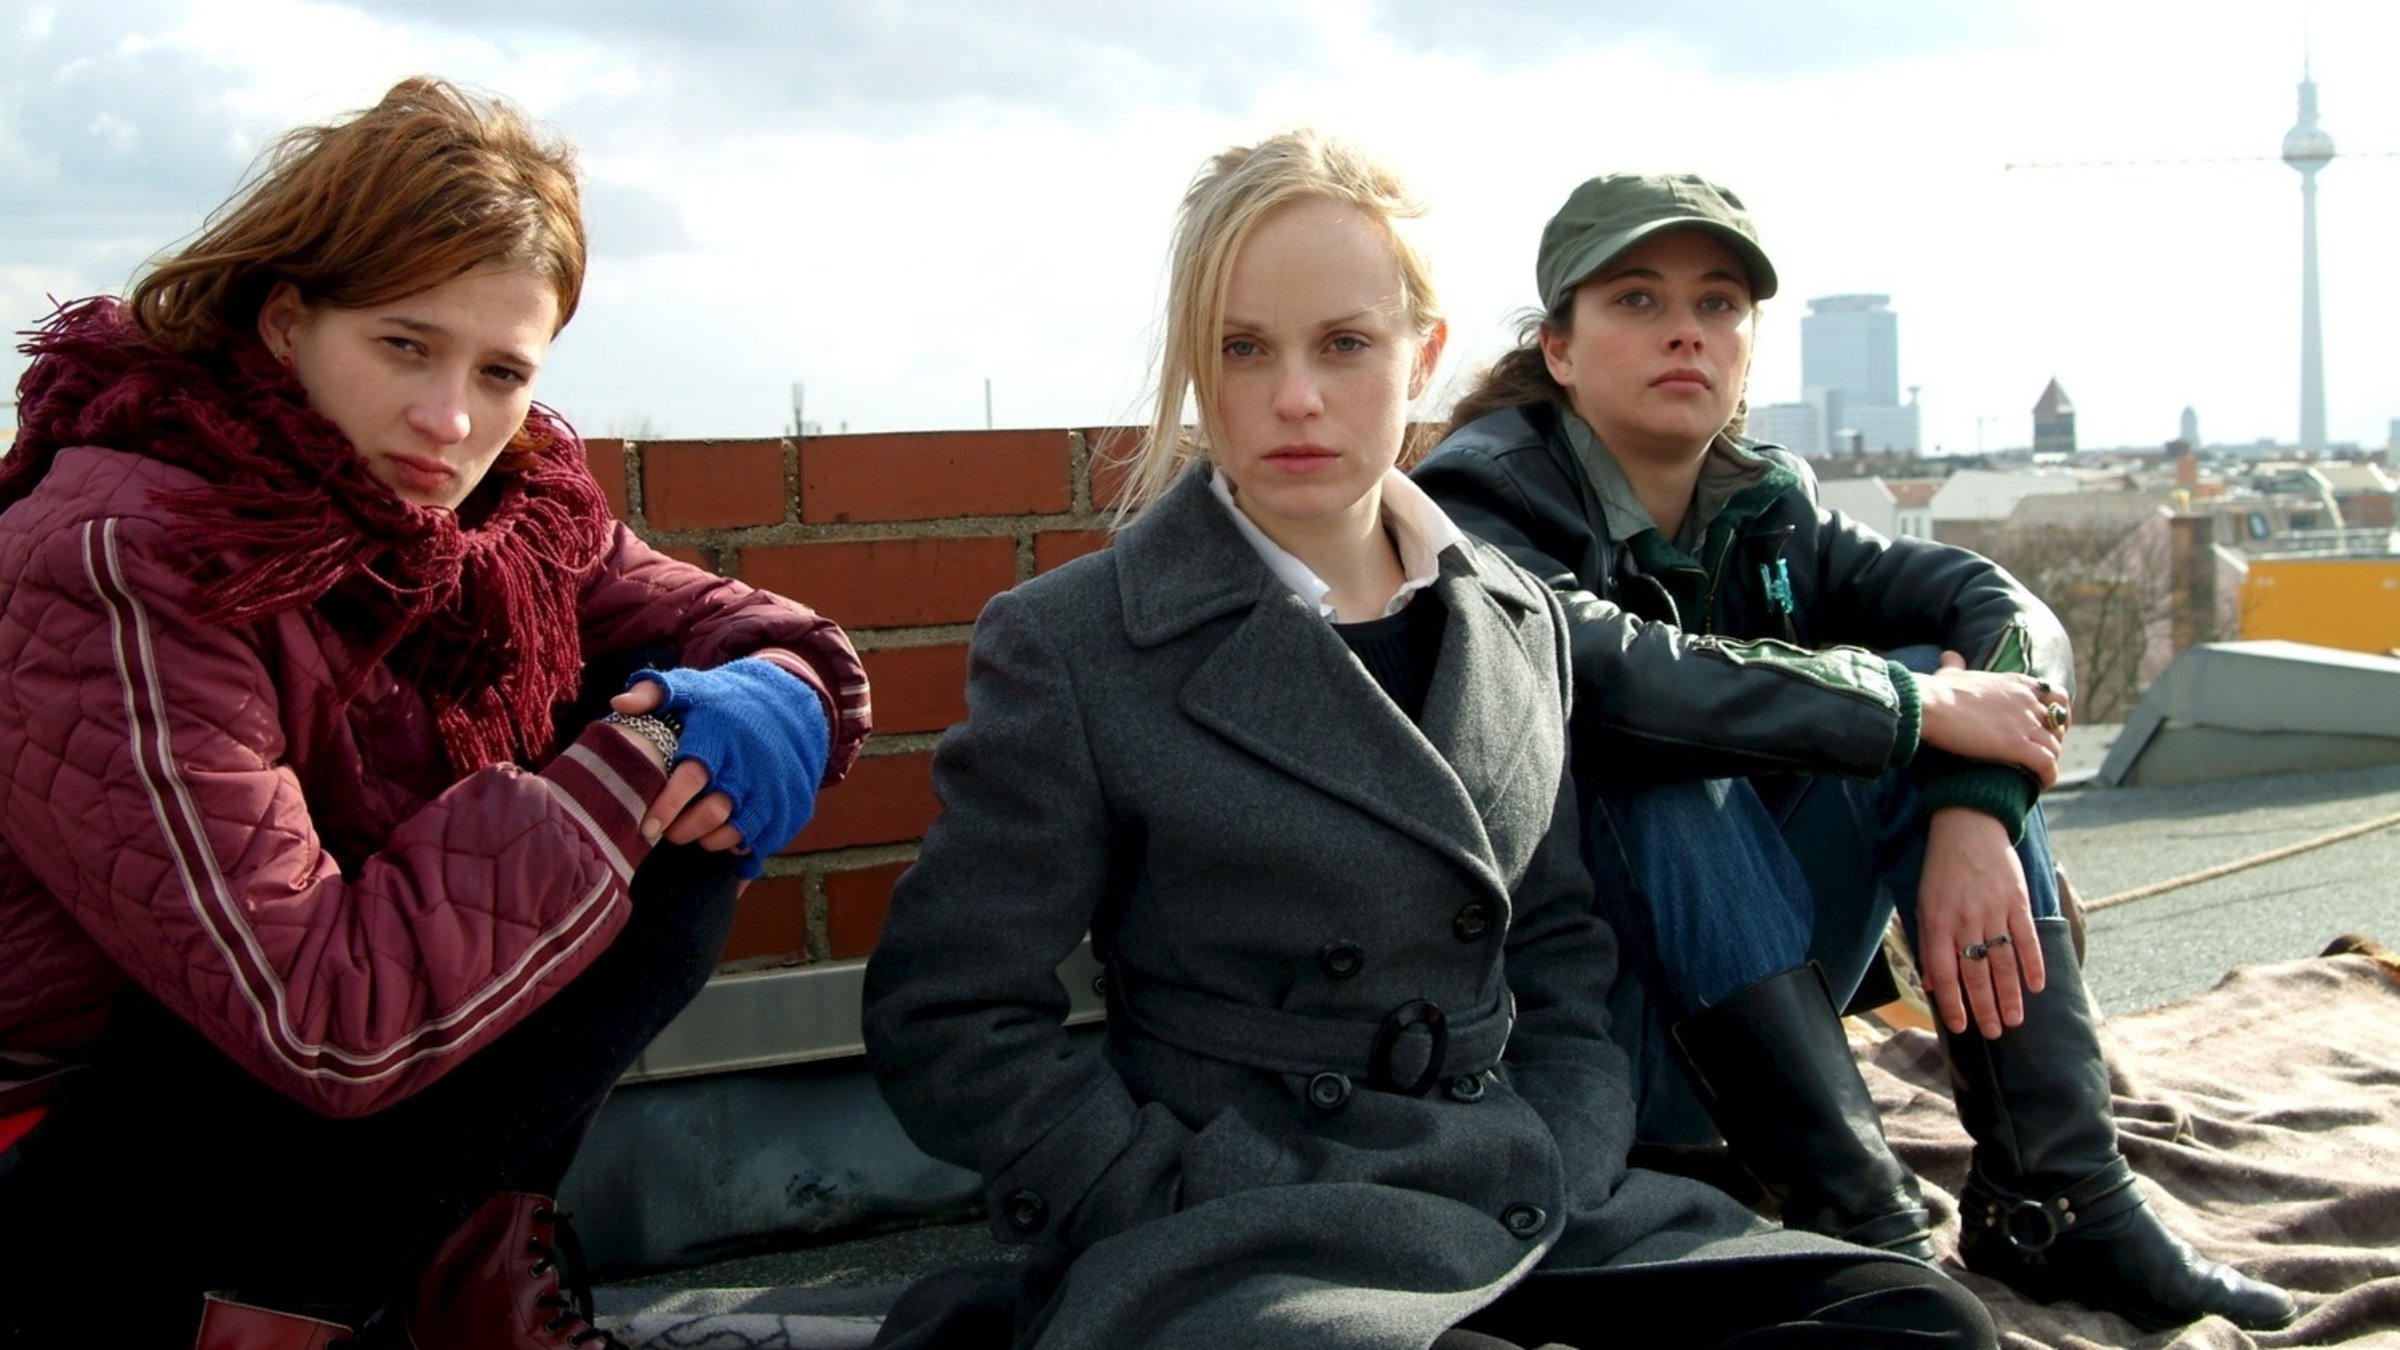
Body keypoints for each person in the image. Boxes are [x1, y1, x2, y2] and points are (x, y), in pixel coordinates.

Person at [861, 132, 1994, 1350]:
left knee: (1917, 1318)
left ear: (1423, 357)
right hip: (1251, 1220)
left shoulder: (1515, 619)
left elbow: (1557, 940)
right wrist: (1145, 1190)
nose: (1296, 396)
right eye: (1245, 349)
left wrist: (1570, 1135)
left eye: (1345, 344)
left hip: (1513, 1176)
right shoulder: (1077, 642)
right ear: (1199, 368)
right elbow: (953, 1007)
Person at [0, 78, 869, 1347]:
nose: (449, 421)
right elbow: (316, 1011)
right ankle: (272, 1313)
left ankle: (452, 1275)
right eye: (405, 346)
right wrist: (629, 767)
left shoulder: (493, 521)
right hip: (80, 1144)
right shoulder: (122, 556)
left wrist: (783, 687)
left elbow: (733, 622)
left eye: (502, 370)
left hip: (294, 1104)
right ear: (287, 320)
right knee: (640, 794)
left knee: (681, 780)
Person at [1411, 171, 2296, 1333]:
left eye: (1720, 303)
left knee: (1936, 672)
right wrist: (1912, 709)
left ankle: (2060, 1198)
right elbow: (1608, 675)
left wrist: (1973, 801)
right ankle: (1864, 1225)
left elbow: (2002, 606)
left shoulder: (1770, 509)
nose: (1686, 326)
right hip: (1580, 1039)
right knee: (1684, 760)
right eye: (1635, 298)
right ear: (1562, 350)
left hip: (1751, 1030)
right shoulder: (1475, 500)